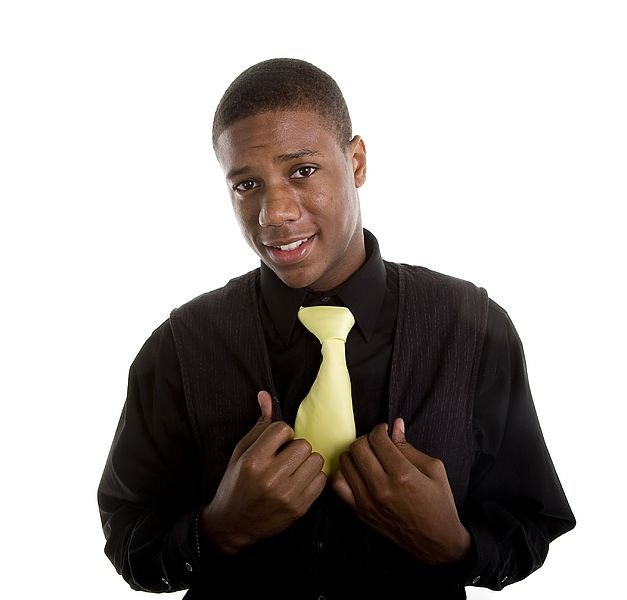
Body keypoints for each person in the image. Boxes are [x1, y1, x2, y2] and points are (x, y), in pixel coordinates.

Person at [98, 58, 575, 599]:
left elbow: (531, 523)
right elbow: (128, 537)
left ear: (356, 161)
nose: (274, 212)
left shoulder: (474, 330)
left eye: (301, 170)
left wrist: (455, 545)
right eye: (247, 184)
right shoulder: (179, 348)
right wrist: (217, 532)